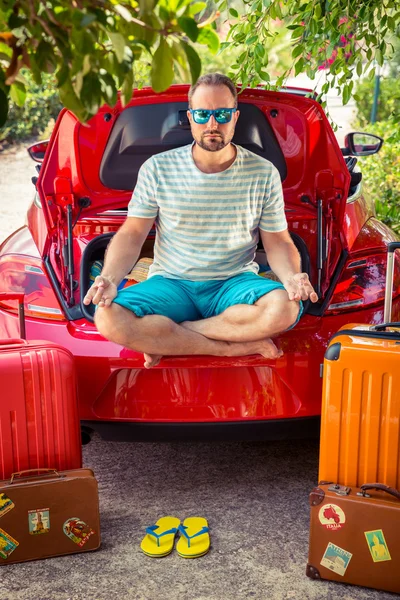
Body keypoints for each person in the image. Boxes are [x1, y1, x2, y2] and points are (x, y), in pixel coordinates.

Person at [84, 73, 318, 368]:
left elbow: (278, 241)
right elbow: (132, 234)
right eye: (203, 114)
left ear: (235, 117)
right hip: (171, 282)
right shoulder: (158, 168)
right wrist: (110, 278)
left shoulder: (263, 172)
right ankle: (229, 348)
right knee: (107, 317)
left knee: (284, 309)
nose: (212, 124)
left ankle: (167, 340)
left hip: (233, 283)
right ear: (190, 117)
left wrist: (291, 277)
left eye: (221, 114)